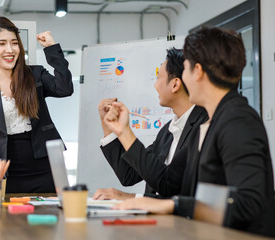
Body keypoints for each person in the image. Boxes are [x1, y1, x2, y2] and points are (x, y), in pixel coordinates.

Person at [112, 27, 275, 237]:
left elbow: (249, 204)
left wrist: (176, 206)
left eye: (186, 69)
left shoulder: (238, 121)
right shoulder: (209, 124)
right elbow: (169, 183)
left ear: (197, 72)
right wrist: (123, 132)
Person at [0, 16, 73, 194]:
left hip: (47, 169)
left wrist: (52, 49)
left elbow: (64, 89)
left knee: (48, 221)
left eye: (14, 43)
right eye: (1, 43)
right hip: (6, 174)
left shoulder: (35, 75)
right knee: (10, 221)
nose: (9, 50)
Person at [93, 48, 208, 200]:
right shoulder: (167, 132)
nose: (155, 86)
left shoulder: (205, 126)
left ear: (175, 84)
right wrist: (108, 127)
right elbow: (128, 174)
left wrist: (129, 197)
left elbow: (178, 193)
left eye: (158, 77)